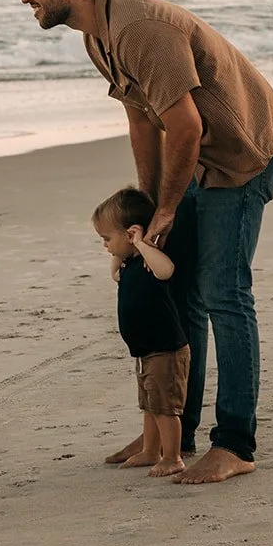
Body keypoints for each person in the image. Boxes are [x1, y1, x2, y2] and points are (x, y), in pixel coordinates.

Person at [21, 0, 273, 485]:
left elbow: (187, 125)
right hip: (194, 156)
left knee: (225, 294)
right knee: (182, 295)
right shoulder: (97, 34)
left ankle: (236, 443)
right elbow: (142, 120)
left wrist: (169, 208)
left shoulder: (140, 31)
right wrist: (146, 211)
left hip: (240, 156)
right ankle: (175, 433)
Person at [93, 187, 190, 478]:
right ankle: (150, 450)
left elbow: (167, 271)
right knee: (149, 405)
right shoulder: (130, 264)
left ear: (132, 232)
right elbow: (114, 274)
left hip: (166, 349)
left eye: (107, 239)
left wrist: (142, 244)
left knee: (165, 408)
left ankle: (172, 456)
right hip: (145, 350)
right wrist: (122, 251)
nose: (106, 246)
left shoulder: (151, 261)